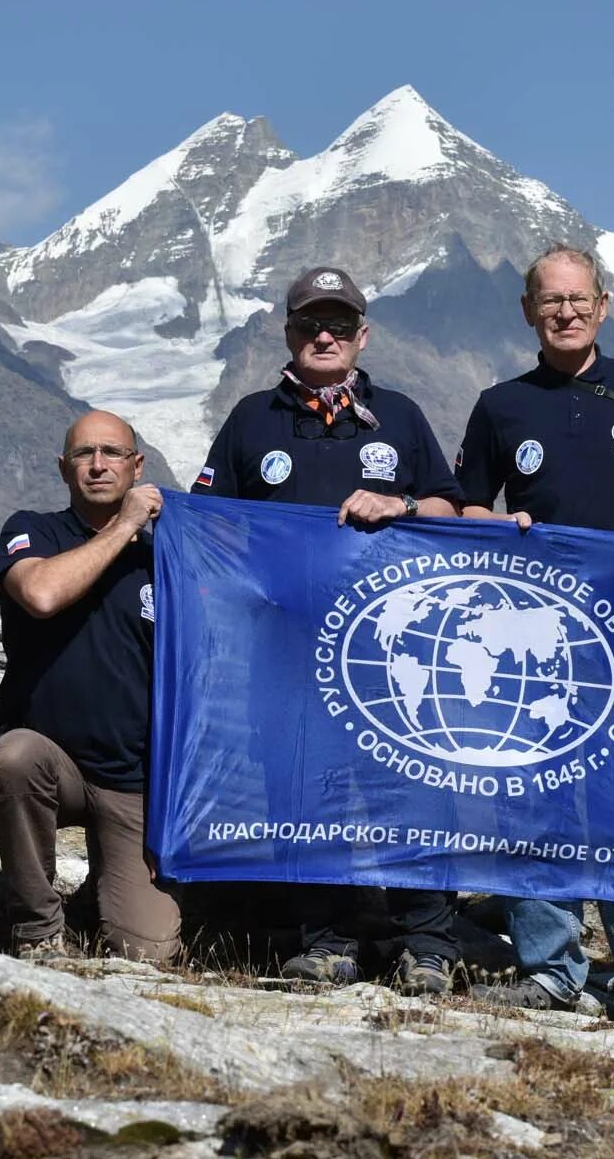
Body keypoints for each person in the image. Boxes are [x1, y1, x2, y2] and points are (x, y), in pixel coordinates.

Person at [455, 243, 614, 1027]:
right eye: (549, 300)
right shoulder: (502, 404)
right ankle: (550, 968)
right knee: (535, 788)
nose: (565, 312)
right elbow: (464, 505)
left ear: (603, 305)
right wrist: (504, 526)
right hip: (532, 632)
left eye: (578, 299)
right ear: (529, 311)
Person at [192, 264, 463, 994]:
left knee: (412, 788)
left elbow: (451, 511)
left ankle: (428, 945)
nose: (324, 335)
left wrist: (401, 506)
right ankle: (326, 938)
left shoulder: (400, 416)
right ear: (287, 332)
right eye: (311, 323)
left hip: (393, 650)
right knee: (303, 788)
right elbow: (208, 525)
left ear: (361, 335)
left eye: (339, 325)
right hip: (286, 653)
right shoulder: (253, 419)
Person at [0, 409, 178, 963]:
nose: (98, 465)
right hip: (54, 761)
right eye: (83, 455)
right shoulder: (33, 530)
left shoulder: (165, 555)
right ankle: (38, 928)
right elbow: (41, 595)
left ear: (136, 465)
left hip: (134, 777)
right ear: (63, 468)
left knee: (147, 951)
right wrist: (124, 526)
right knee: (14, 758)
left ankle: (104, 891)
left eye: (113, 453)